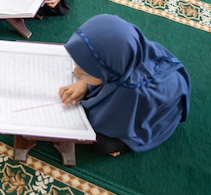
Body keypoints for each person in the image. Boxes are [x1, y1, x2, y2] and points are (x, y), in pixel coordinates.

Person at [59, 14, 191, 156]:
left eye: (86, 72)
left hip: (150, 113)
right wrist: (83, 81)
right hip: (133, 89)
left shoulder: (130, 91)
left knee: (99, 143)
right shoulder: (126, 53)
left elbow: (111, 122)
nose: (76, 71)